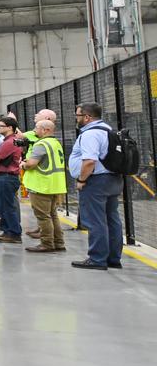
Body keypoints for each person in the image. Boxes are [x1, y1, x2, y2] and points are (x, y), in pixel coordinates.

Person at [69, 103, 124, 270]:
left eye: (78, 116)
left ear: (87, 117)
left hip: (96, 181)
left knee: (95, 221)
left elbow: (89, 161)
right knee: (112, 219)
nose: (76, 119)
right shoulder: (108, 130)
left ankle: (97, 259)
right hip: (112, 179)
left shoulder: (90, 134)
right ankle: (113, 258)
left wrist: (81, 180)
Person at [21, 119, 66, 254]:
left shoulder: (41, 144)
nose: (35, 130)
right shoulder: (55, 143)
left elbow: (31, 164)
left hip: (41, 185)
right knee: (52, 215)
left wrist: (23, 164)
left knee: (43, 216)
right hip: (55, 184)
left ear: (46, 130)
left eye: (37, 128)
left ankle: (46, 243)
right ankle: (58, 242)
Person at [0, 116, 24, 243]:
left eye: (1, 126)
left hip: (6, 177)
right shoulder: (14, 140)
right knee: (3, 205)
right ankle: (7, 231)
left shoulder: (8, 142)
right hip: (8, 177)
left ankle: (14, 232)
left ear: (10, 128)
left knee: (6, 206)